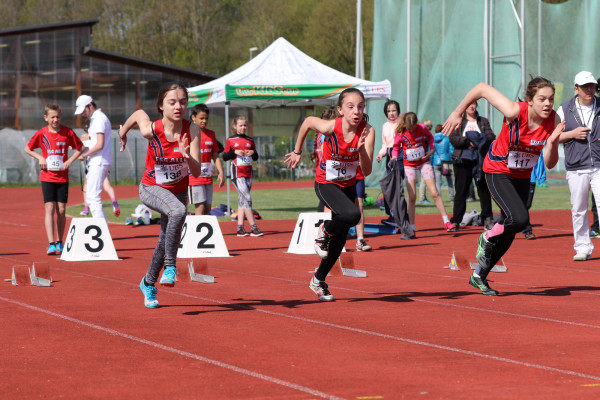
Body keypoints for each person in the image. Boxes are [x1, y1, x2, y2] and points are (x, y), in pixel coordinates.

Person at [443, 77, 565, 296]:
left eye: (551, 99)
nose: (548, 104)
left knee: (511, 229)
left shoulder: (554, 120)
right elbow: (481, 88)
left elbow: (550, 163)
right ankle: (487, 236)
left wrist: (554, 141)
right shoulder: (514, 111)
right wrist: (457, 112)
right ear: (530, 100)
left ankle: (479, 275)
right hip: (497, 170)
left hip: (522, 175)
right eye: (542, 99)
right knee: (520, 219)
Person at [285, 88, 375, 301]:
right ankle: (324, 229)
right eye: (351, 107)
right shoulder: (330, 126)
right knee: (354, 215)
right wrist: (297, 151)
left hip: (348, 185)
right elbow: (308, 122)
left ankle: (318, 280)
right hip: (326, 183)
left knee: (340, 239)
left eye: (360, 107)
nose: (356, 111)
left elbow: (367, 170)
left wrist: (361, 150)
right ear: (340, 110)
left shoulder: (368, 131)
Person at [118, 82, 203, 308]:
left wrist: (187, 157)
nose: (178, 107)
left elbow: (197, 172)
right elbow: (138, 113)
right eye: (172, 102)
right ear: (161, 106)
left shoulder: (193, 130)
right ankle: (171, 267)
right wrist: (123, 132)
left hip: (179, 191)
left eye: (183, 102)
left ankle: (147, 283)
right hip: (151, 188)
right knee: (179, 211)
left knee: (165, 240)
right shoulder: (151, 130)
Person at [24, 103, 84, 255]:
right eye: (52, 117)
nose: (55, 120)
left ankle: (59, 242)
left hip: (62, 177)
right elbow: (27, 148)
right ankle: (51, 244)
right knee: (49, 208)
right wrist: (40, 157)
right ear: (46, 118)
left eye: (57, 116)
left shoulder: (68, 132)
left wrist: (69, 161)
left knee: (61, 210)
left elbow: (80, 148)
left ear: (61, 116)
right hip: (47, 176)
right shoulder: (42, 133)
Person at [557, 71, 600, 261]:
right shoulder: (564, 109)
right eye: (585, 86)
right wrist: (572, 134)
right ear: (576, 89)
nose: (589, 89)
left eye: (592, 86)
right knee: (579, 209)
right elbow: (553, 136)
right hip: (576, 167)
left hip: (599, 165)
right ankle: (582, 247)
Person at [393, 112, 457, 234]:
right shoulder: (400, 132)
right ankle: (411, 227)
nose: (411, 130)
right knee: (412, 197)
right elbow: (395, 147)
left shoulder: (421, 127)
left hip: (424, 162)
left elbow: (431, 138)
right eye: (409, 128)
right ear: (405, 124)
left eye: (413, 128)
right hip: (409, 165)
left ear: (416, 124)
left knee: (434, 193)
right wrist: (394, 157)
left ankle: (446, 222)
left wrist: (431, 150)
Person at [448, 101, 496, 231]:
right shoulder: (459, 121)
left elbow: (491, 136)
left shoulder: (483, 121)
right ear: (464, 107)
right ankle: (456, 221)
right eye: (469, 104)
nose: (472, 106)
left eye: (474, 104)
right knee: (461, 191)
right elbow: (453, 138)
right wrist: (469, 141)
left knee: (484, 190)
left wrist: (478, 141)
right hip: (462, 160)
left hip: (480, 159)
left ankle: (487, 218)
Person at [222, 115, 263, 236]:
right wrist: (234, 152)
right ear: (235, 126)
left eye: (245, 125)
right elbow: (224, 157)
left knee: (242, 200)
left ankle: (240, 228)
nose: (243, 127)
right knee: (247, 198)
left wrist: (252, 152)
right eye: (240, 125)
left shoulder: (250, 140)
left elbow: (256, 157)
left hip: (248, 173)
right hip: (237, 173)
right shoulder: (231, 140)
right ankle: (253, 227)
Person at [75, 95, 113, 220]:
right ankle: (102, 228)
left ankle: (102, 229)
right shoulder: (96, 119)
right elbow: (95, 142)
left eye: (84, 111)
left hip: (99, 161)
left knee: (93, 198)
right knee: (92, 197)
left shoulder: (99, 119)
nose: (83, 114)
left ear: (90, 105)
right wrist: (83, 146)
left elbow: (99, 144)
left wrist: (84, 154)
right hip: (97, 161)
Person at [188, 104, 224, 215]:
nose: (204, 121)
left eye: (206, 118)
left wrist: (221, 172)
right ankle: (196, 227)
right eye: (201, 118)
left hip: (208, 178)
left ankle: (198, 225)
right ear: (193, 117)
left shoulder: (211, 134)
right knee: (200, 207)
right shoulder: (188, 133)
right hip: (194, 178)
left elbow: (215, 155)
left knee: (207, 209)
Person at [79, 130, 120, 217]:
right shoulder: (101, 137)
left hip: (93, 165)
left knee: (86, 187)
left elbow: (79, 147)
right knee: (107, 185)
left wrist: (81, 154)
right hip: (103, 164)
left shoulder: (86, 137)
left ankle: (86, 208)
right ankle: (114, 202)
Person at [376, 100, 400, 223]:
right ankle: (392, 215)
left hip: (400, 155)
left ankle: (400, 217)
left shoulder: (402, 124)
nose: (391, 113)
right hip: (389, 155)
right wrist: (381, 154)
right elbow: (385, 144)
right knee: (389, 187)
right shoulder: (385, 126)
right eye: (388, 111)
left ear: (398, 111)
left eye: (394, 110)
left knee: (396, 187)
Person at [522, 155, 547, 239]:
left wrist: (541, 176)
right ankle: (527, 229)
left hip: (530, 180)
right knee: (520, 205)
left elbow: (540, 161)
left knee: (527, 205)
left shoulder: (536, 147)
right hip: (516, 178)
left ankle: (521, 225)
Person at [432, 124, 455, 202]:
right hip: (446, 161)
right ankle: (452, 197)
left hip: (436, 162)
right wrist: (451, 160)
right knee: (449, 180)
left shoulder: (432, 139)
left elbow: (431, 151)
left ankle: (439, 198)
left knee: (438, 182)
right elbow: (451, 150)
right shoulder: (447, 138)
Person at [417, 119, 434, 204]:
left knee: (424, 180)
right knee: (424, 180)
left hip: (424, 158)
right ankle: (422, 198)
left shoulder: (425, 136)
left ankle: (424, 197)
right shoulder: (425, 137)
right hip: (422, 159)